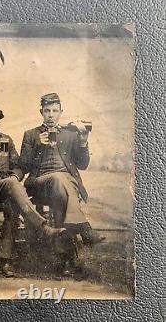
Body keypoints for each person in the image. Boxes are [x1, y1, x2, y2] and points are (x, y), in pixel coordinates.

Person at [0, 103, 65, 277]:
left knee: (12, 204)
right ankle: (43, 227)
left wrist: (15, 177)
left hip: (8, 189)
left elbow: (19, 166)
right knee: (11, 185)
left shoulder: (6, 139)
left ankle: (5, 260)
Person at [20, 93, 105, 276]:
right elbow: (24, 166)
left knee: (60, 190)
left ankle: (64, 258)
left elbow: (82, 165)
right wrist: (37, 146)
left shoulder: (70, 134)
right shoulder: (31, 135)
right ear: (41, 112)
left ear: (61, 112)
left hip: (66, 184)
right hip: (40, 183)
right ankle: (83, 231)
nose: (51, 114)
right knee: (59, 180)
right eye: (47, 111)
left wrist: (83, 141)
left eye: (55, 111)